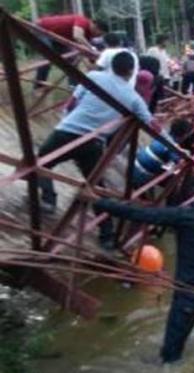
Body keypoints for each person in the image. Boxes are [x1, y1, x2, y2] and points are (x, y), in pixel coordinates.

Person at [93, 169, 194, 364]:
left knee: (169, 357)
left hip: (187, 297)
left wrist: (98, 202)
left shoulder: (185, 216)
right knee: (179, 339)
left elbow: (140, 214)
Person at [37, 52, 152, 251]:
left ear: (111, 65)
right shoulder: (133, 97)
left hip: (67, 131)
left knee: (41, 162)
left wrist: (66, 117)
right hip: (93, 143)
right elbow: (152, 124)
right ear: (131, 71)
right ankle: (107, 237)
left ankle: (48, 199)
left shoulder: (94, 77)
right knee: (96, 188)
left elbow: (72, 102)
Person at [34, 14, 106, 88]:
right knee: (47, 55)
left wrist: (93, 66)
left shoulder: (88, 35)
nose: (98, 36)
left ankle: (73, 86)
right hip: (42, 28)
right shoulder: (83, 21)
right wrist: (91, 48)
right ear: (95, 26)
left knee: (72, 60)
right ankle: (39, 87)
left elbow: (84, 54)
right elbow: (77, 36)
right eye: (99, 34)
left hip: (58, 38)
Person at [133, 118, 193, 187]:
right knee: (174, 178)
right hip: (139, 178)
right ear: (184, 135)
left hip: (132, 166)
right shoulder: (173, 148)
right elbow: (180, 164)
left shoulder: (163, 135)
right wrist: (186, 156)